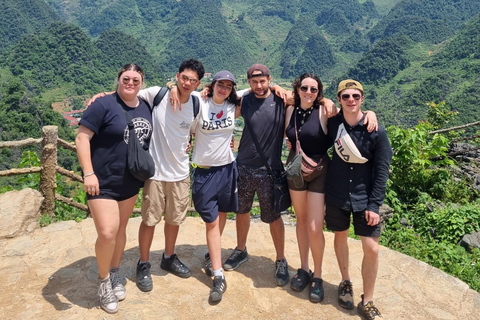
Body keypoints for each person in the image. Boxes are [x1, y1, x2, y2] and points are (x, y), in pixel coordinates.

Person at [89, 59, 205, 293]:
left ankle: (169, 257)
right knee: (150, 220)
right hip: (154, 172)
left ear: (198, 83)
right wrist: (104, 95)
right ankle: (143, 263)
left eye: (193, 80)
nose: (187, 83)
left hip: (180, 172)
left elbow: (193, 130)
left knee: (174, 219)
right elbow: (128, 92)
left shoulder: (196, 103)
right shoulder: (157, 94)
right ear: (177, 76)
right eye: (184, 78)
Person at [222, 64, 336, 286]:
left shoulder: (283, 100)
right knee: (242, 210)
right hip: (244, 165)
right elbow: (221, 110)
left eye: (263, 81)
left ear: (269, 79)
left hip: (271, 169)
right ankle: (241, 249)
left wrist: (327, 101)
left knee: (274, 216)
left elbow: (309, 98)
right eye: (254, 82)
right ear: (249, 82)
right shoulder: (244, 101)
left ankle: (281, 258)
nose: (259, 85)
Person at [285, 74, 378, 303]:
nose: (308, 92)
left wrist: (371, 114)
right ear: (297, 89)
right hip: (295, 170)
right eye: (304, 87)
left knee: (315, 227)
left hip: (319, 171)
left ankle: (317, 274)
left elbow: (351, 117)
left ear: (320, 92)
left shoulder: (326, 112)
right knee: (301, 221)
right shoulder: (288, 110)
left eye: (314, 89)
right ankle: (304, 268)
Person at [76, 63, 153, 314]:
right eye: (126, 79)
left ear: (142, 83)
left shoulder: (145, 106)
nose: (130, 83)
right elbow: (82, 137)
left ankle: (116, 270)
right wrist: (88, 173)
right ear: (118, 80)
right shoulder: (103, 104)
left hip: (130, 180)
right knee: (107, 232)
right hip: (101, 180)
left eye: (135, 80)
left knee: (120, 229)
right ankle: (103, 281)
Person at [325, 79, 392, 319]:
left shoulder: (376, 130)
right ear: (340, 99)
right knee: (340, 236)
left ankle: (368, 299)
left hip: (365, 199)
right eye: (346, 96)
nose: (351, 100)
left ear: (362, 98)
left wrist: (375, 205)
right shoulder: (333, 125)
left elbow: (382, 170)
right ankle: (345, 281)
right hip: (336, 193)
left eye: (355, 96)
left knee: (371, 248)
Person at [189, 70, 241, 302]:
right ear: (213, 85)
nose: (224, 89)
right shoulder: (199, 103)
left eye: (229, 86)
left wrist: (278, 88)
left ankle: (213, 256)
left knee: (221, 216)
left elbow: (260, 89)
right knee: (211, 221)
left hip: (228, 168)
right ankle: (219, 275)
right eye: (221, 84)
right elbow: (178, 94)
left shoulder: (233, 106)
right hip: (204, 171)